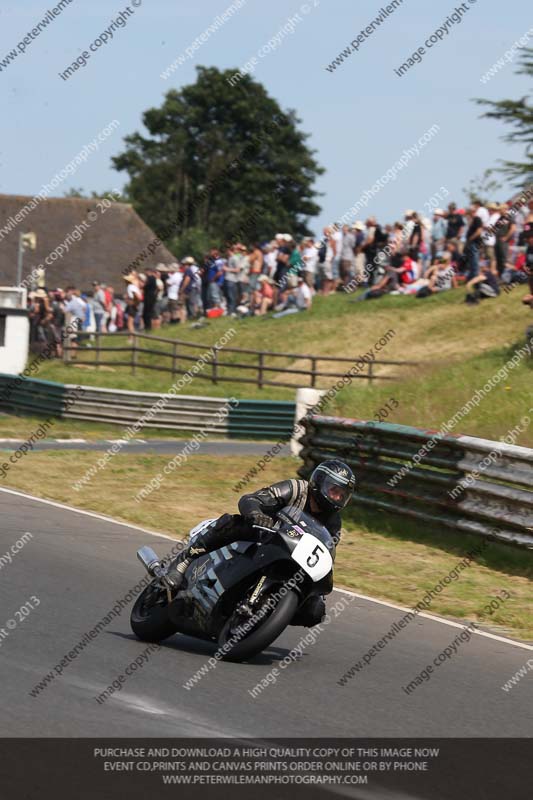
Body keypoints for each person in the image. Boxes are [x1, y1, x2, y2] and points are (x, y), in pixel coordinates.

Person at [169, 460, 356, 622]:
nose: (337, 498)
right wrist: (257, 514)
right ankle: (184, 561)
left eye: (342, 495)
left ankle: (267, 612)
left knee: (314, 610)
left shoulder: (334, 523)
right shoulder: (296, 489)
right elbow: (251, 499)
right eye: (334, 491)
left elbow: (324, 552)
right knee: (236, 523)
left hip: (292, 556)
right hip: (263, 536)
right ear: (319, 482)